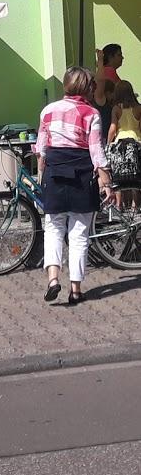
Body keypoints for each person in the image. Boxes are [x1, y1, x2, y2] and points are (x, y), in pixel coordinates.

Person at [37, 66, 112, 306]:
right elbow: (96, 150)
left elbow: (41, 148)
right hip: (81, 174)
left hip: (55, 173)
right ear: (85, 87)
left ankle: (52, 279)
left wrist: (42, 174)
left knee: (53, 228)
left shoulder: (48, 111)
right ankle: (76, 289)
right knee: (79, 234)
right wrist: (106, 181)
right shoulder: (91, 113)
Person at [107, 80, 141, 208]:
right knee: (136, 174)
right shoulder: (139, 108)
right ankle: (135, 204)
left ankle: (119, 204)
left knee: (118, 174)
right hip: (136, 143)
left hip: (120, 144)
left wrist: (108, 143)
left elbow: (113, 128)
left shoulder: (116, 109)